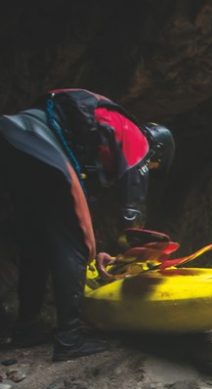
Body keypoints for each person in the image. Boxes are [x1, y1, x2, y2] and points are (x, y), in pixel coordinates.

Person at [0, 88, 174, 360]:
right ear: (157, 151)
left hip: (13, 141)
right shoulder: (138, 138)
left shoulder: (97, 139)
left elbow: (68, 213)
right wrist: (130, 253)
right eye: (152, 167)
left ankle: (26, 329)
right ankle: (69, 339)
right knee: (77, 244)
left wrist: (97, 250)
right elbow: (132, 215)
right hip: (37, 142)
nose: (147, 170)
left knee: (37, 244)